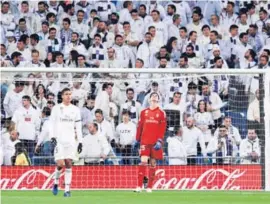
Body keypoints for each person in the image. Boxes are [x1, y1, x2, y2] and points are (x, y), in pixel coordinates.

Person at [50, 88, 83, 197]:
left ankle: (67, 190)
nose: (68, 96)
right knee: (60, 164)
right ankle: (55, 182)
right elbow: (51, 123)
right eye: (66, 94)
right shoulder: (56, 108)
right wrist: (52, 137)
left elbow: (78, 127)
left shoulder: (75, 110)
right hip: (59, 140)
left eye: (70, 94)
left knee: (68, 163)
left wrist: (80, 141)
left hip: (71, 140)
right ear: (62, 96)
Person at [134, 92, 166, 193]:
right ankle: (139, 186)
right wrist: (137, 139)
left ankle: (149, 187)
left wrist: (160, 141)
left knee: (152, 163)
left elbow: (162, 129)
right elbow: (140, 126)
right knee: (143, 162)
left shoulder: (161, 113)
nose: (154, 97)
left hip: (155, 142)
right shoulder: (143, 112)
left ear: (158, 100)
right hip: (145, 141)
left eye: (156, 96)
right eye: (152, 96)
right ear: (149, 99)